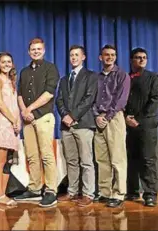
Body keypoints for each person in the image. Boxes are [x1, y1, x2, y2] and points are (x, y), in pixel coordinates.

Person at [14, 38, 60, 207]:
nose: (36, 51)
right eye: (33, 49)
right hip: (27, 119)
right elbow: (19, 94)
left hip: (43, 117)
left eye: (39, 49)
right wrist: (24, 111)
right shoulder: (24, 72)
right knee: (32, 155)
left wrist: (30, 109)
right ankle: (34, 188)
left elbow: (49, 93)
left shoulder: (51, 68)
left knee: (46, 154)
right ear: (29, 52)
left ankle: (51, 190)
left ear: (44, 50)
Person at [56, 45, 98, 207]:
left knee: (86, 161)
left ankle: (88, 193)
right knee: (71, 160)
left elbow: (89, 98)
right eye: (71, 55)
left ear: (83, 57)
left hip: (83, 124)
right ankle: (72, 191)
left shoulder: (91, 76)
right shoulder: (64, 79)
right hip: (66, 127)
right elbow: (59, 100)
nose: (73, 57)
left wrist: (73, 116)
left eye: (76, 55)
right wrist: (65, 116)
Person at [93, 44, 130, 208]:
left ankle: (119, 193)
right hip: (99, 119)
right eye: (106, 55)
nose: (110, 57)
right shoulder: (97, 77)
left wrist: (106, 117)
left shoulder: (122, 75)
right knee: (102, 159)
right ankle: (105, 192)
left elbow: (121, 100)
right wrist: (96, 116)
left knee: (117, 157)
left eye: (113, 55)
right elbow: (92, 98)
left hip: (114, 118)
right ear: (101, 57)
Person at [125, 47, 158, 207]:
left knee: (147, 159)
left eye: (144, 57)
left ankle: (150, 194)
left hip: (146, 124)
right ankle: (132, 191)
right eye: (138, 57)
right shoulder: (126, 78)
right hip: (128, 124)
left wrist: (137, 119)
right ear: (132, 60)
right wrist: (126, 117)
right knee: (130, 159)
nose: (141, 60)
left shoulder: (153, 77)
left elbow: (155, 100)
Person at [0, 52, 20, 206]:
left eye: (9, 61)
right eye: (3, 62)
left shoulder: (11, 81)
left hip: (12, 125)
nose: (6, 64)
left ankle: (4, 193)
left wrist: (17, 121)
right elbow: (0, 103)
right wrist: (13, 120)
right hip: (2, 123)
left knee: (7, 162)